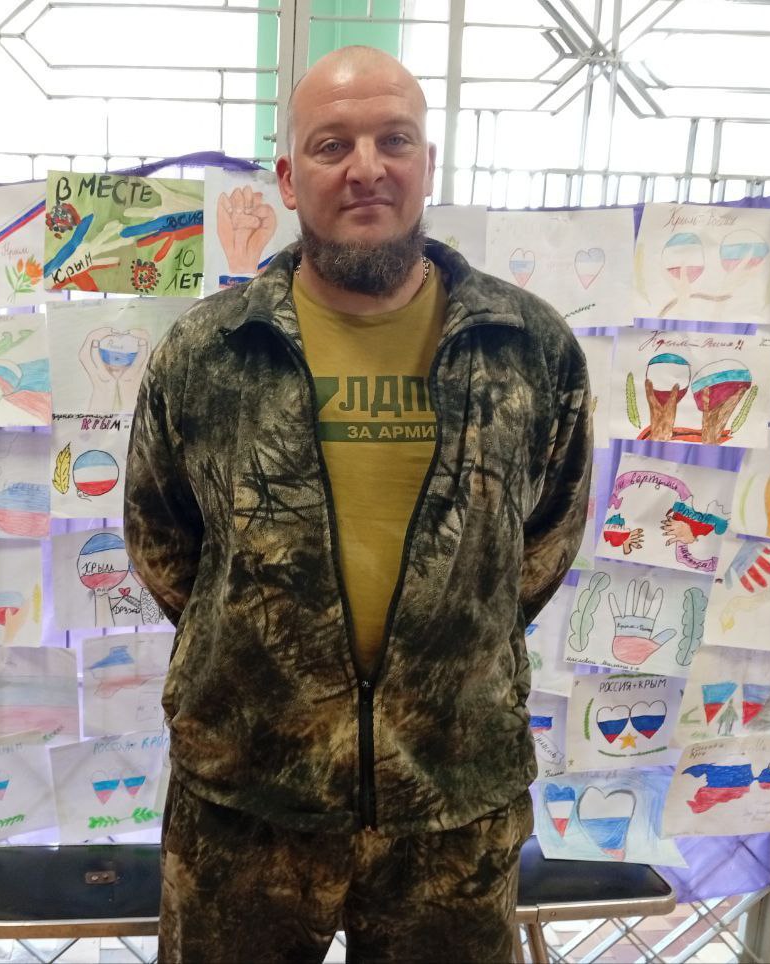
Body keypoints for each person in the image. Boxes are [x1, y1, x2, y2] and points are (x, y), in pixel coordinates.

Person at [124, 45, 593, 963]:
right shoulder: (208, 352)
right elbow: (162, 537)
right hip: (248, 797)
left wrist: (441, 649)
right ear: (289, 178)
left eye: (394, 140)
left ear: (428, 163)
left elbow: (542, 540)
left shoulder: (529, 348)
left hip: (451, 797)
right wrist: (274, 653)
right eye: (333, 145)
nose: (366, 167)